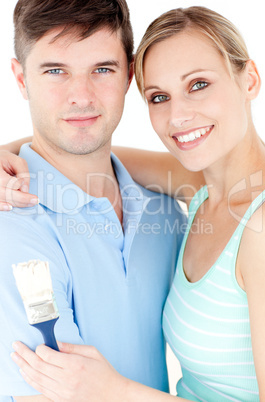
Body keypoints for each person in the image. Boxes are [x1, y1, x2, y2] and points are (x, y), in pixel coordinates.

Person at [1, 4, 265, 402]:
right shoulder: (197, 190)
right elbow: (85, 150)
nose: (179, 116)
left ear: (250, 80)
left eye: (198, 84)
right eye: (159, 96)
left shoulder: (226, 215)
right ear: (21, 79)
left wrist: (114, 392)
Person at [0, 1, 187, 400]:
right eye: (55, 71)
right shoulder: (11, 223)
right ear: (20, 78)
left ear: (129, 76)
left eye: (102, 69)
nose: (81, 96)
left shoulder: (166, 210)